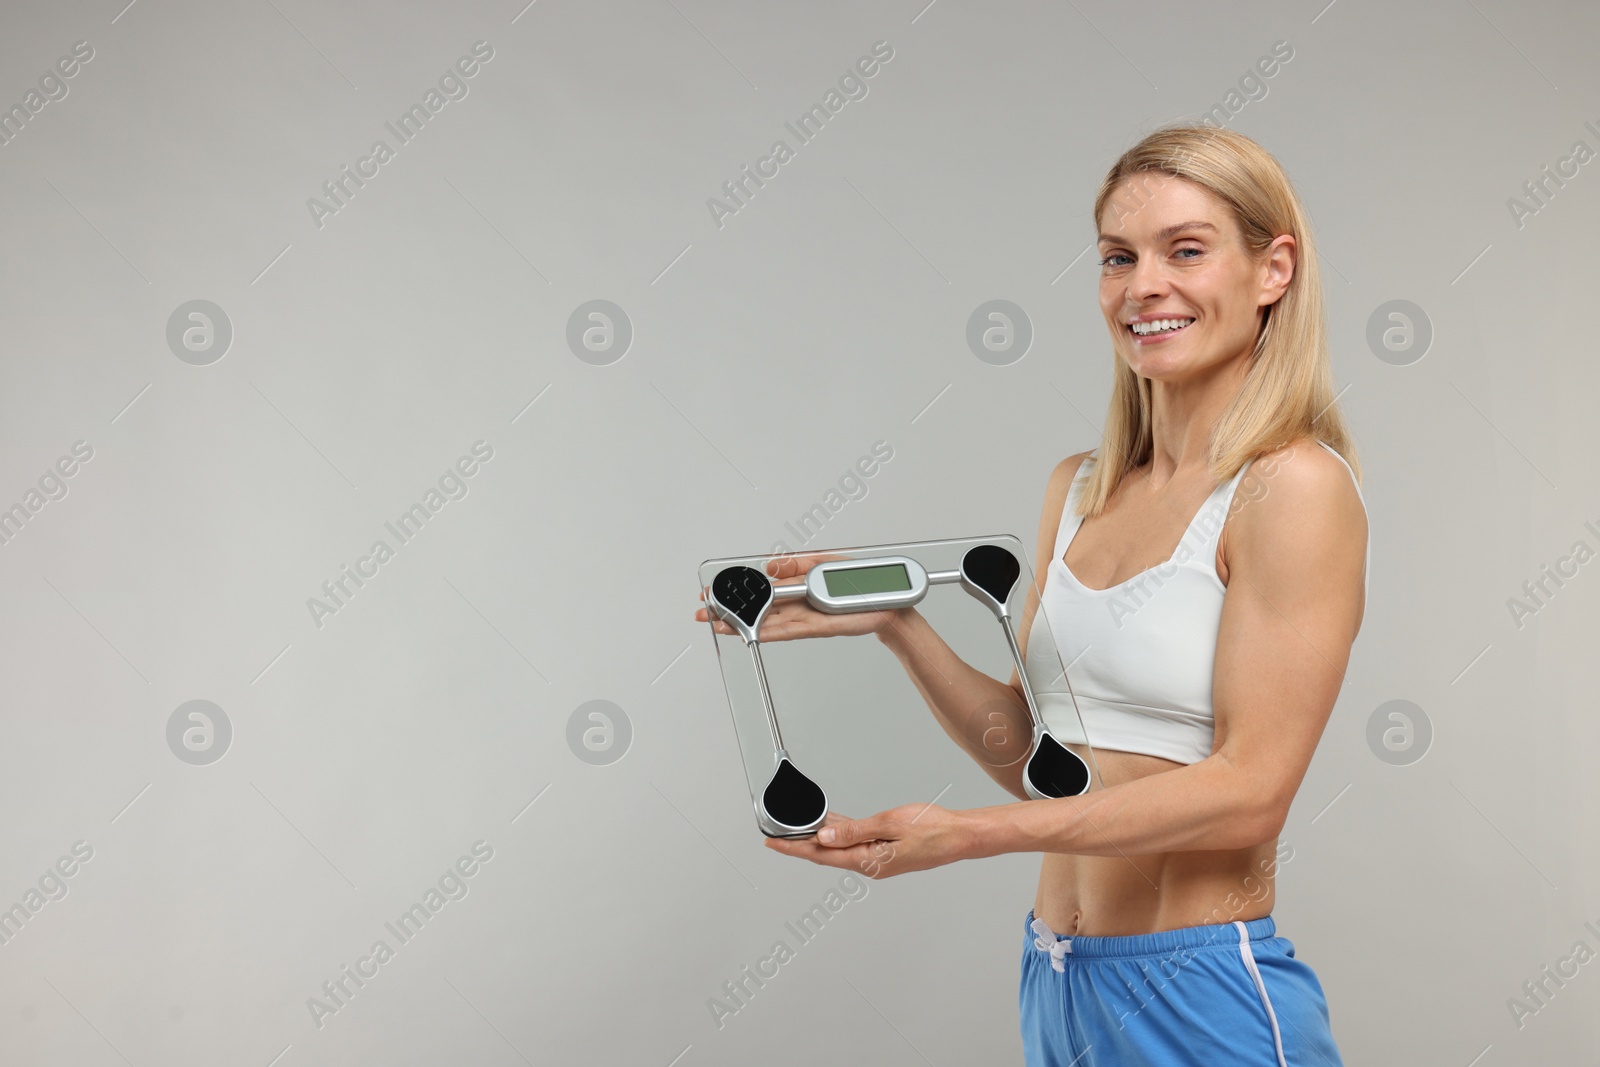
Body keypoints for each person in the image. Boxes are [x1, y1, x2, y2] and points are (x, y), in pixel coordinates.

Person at [695, 123, 1367, 1065]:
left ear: (1273, 269)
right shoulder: (1080, 487)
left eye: (1187, 250)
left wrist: (966, 838)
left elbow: (1249, 794)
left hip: (1202, 992)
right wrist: (900, 622)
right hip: (1057, 979)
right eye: (1117, 257)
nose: (1145, 286)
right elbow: (1048, 769)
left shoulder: (1291, 487)